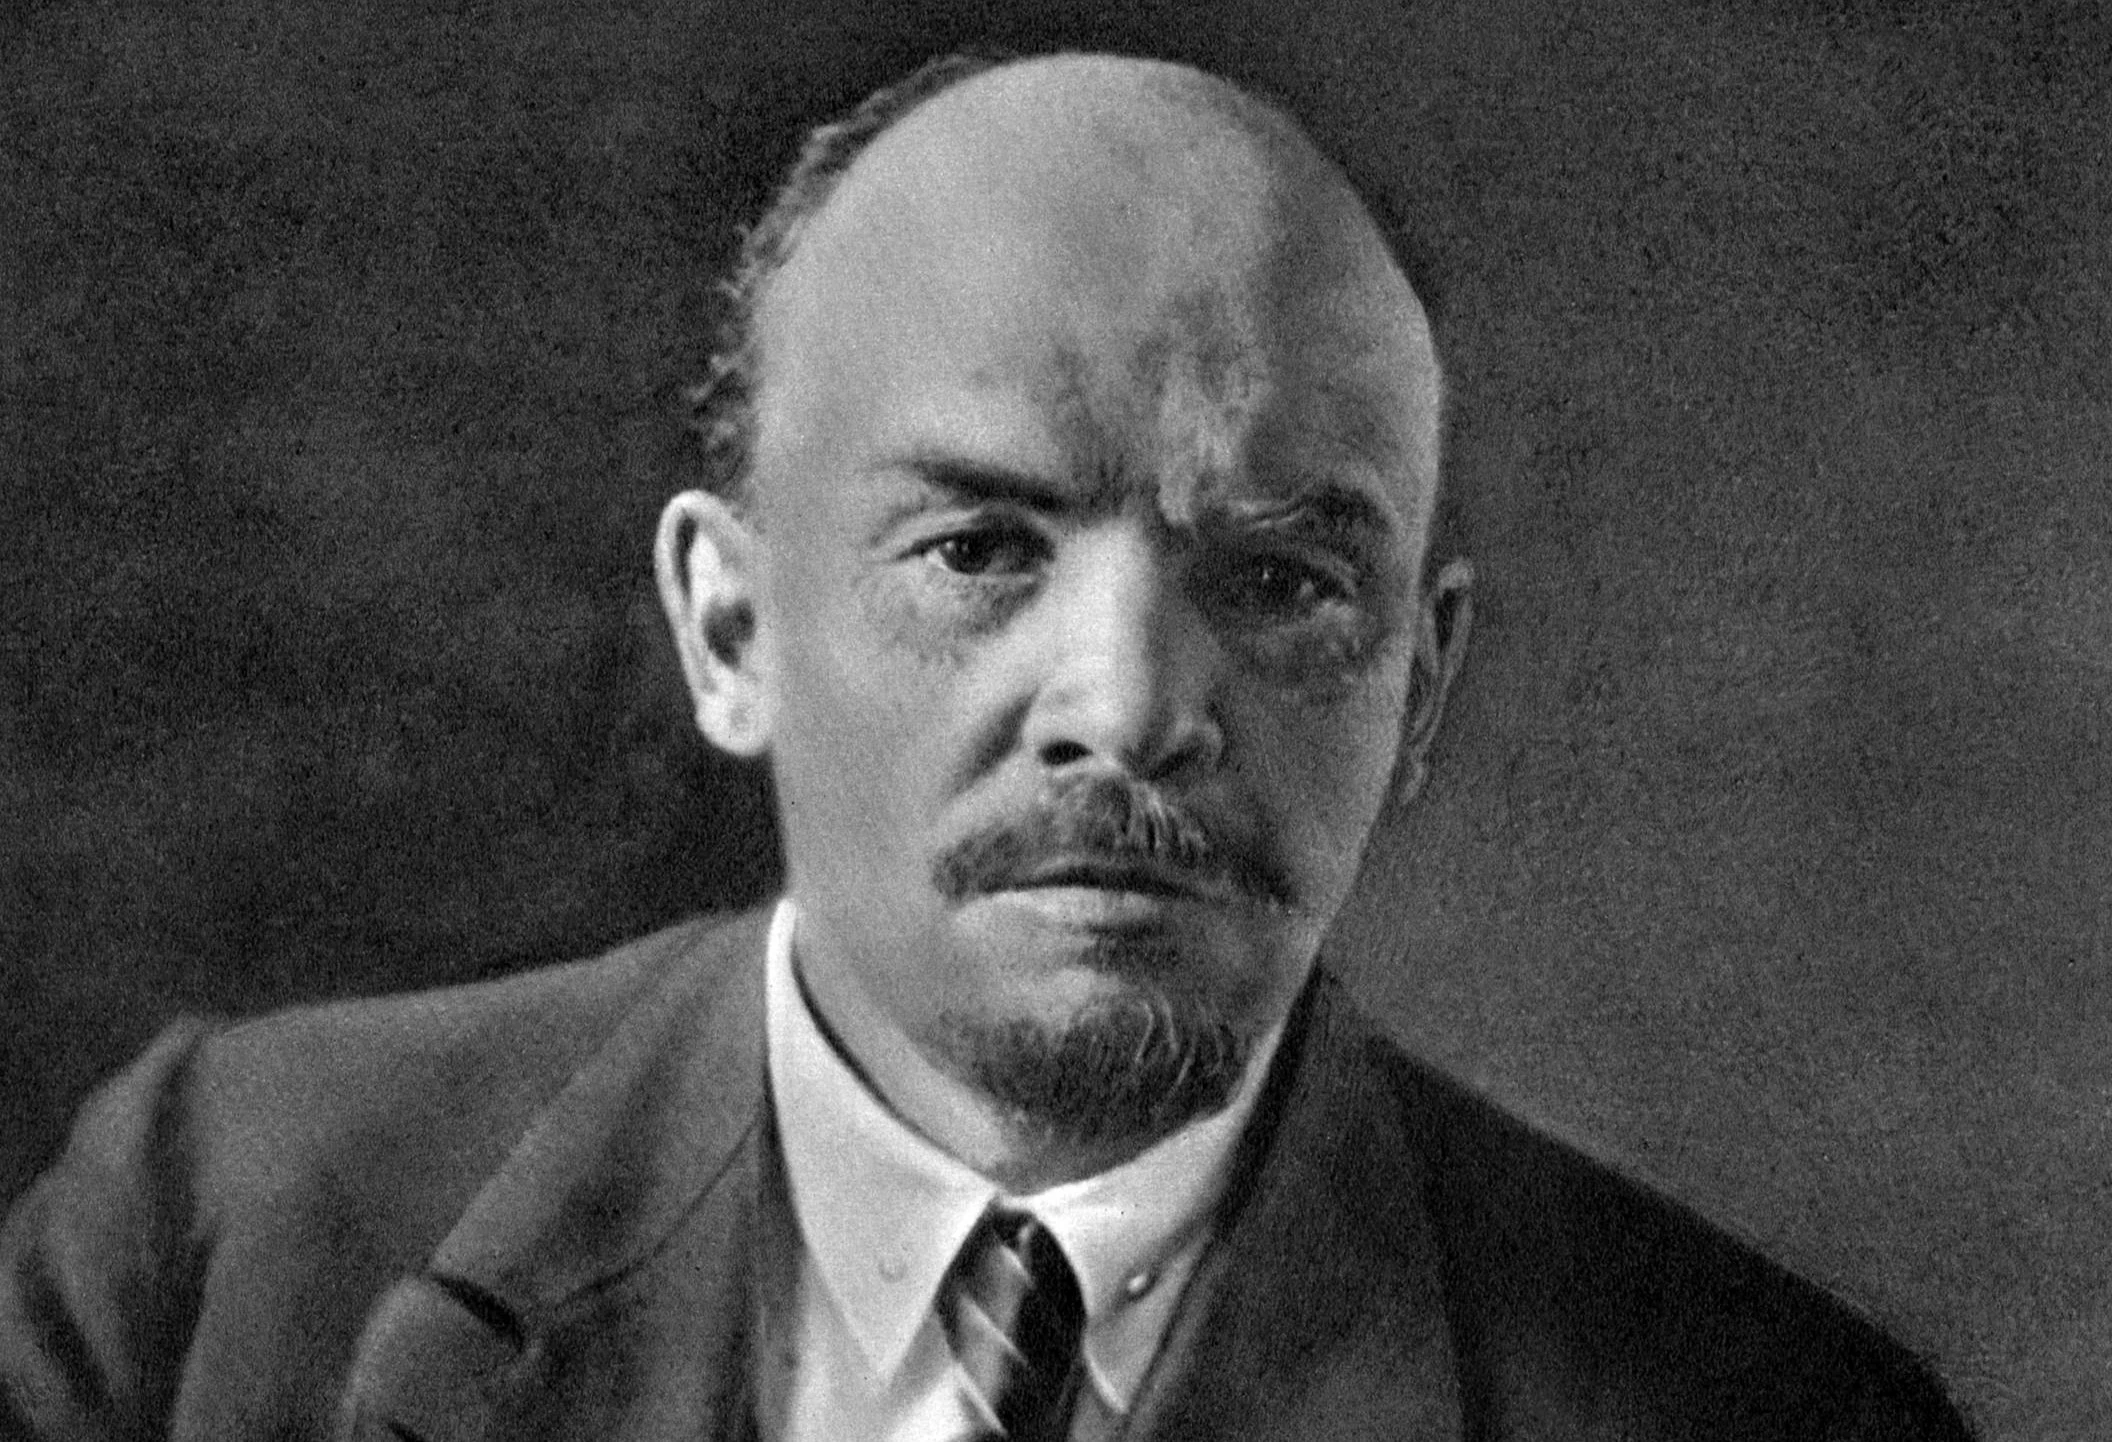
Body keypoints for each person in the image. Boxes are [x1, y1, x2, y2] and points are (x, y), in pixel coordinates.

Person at [0, 51, 1972, 1442]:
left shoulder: (1771, 1413)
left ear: (1421, 691)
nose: (1127, 707)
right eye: (977, 549)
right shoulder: (211, 1238)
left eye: (1282, 580)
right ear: (730, 629)